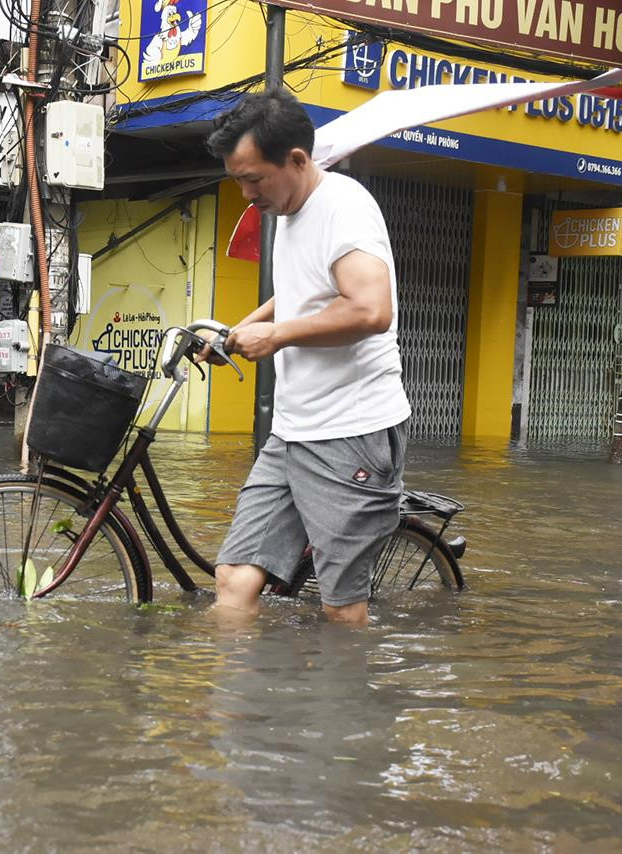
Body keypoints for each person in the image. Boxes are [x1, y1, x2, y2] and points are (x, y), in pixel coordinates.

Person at [203, 89, 411, 628]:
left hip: (350, 433)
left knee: (341, 609)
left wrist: (276, 337)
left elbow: (370, 308)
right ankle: (244, 710)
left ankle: (341, 709)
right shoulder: (288, 210)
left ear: (296, 160)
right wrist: (241, 328)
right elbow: (303, 291)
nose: (247, 194)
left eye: (255, 179)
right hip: (294, 429)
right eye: (238, 181)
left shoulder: (344, 207)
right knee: (233, 580)